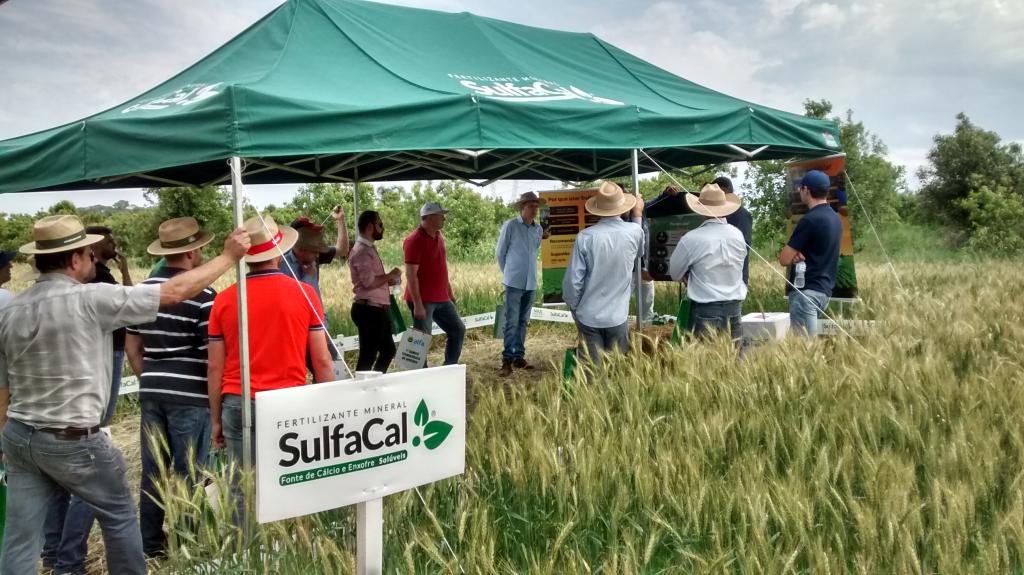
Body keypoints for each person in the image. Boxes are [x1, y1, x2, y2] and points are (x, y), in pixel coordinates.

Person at [0, 214, 249, 575]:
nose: (92, 260)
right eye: (88, 254)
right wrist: (228, 257)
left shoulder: (12, 310)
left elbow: (3, 385)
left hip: (20, 436)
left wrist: (4, 439)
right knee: (118, 515)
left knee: (20, 540)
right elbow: (175, 292)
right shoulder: (90, 299)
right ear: (74, 259)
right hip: (74, 438)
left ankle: (61, 562)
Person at [41, 226, 137, 575]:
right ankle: (67, 559)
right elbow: (133, 306)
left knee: (52, 480)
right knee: (96, 460)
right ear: (82, 253)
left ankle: (54, 554)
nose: (114, 245)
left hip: (39, 429)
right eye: (108, 241)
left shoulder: (98, 278)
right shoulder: (93, 287)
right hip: (99, 363)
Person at [209, 214, 335, 470]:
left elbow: (214, 368)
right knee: (287, 481)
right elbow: (322, 361)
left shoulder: (223, 300)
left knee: (241, 488)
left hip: (238, 400)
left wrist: (215, 420)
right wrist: (330, 409)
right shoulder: (305, 294)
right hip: (288, 400)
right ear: (280, 251)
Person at [125, 217, 218, 559]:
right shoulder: (205, 295)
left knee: (153, 472)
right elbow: (212, 357)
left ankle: (150, 545)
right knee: (189, 471)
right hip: (191, 395)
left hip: (152, 391)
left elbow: (133, 349)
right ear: (194, 252)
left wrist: (151, 378)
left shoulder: (142, 292)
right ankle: (186, 543)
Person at [562, 182, 644, 367]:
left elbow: (572, 282)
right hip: (618, 316)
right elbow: (639, 254)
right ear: (623, 207)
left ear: (597, 209)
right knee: (615, 371)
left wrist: (575, 309)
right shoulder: (634, 232)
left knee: (590, 374)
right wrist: (637, 215)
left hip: (589, 315)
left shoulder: (585, 237)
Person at [668, 183, 747, 343]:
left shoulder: (692, 238)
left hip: (705, 308)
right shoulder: (738, 234)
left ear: (701, 210)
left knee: (705, 363)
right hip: (734, 308)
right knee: (733, 363)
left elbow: (675, 273)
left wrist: (689, 276)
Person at [778, 169, 841, 337]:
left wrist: (793, 253)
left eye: (801, 188)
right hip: (824, 292)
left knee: (803, 350)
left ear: (806, 190)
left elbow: (784, 259)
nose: (799, 191)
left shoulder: (810, 220)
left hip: (806, 293)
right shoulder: (835, 218)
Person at [281, 208, 349, 361]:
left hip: (317, 325)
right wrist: (307, 278)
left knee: (332, 363)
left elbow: (342, 249)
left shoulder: (314, 256)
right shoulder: (281, 263)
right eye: (314, 251)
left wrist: (341, 220)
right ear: (300, 247)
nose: (318, 254)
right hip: (293, 329)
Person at [403, 202, 465, 366]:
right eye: (440, 214)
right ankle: (420, 374)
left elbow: (441, 268)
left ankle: (449, 368)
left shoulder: (439, 236)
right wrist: (417, 304)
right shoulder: (413, 240)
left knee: (458, 329)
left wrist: (449, 292)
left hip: (441, 297)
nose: (444, 217)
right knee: (421, 339)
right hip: (422, 300)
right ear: (429, 217)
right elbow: (410, 274)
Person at [495, 192, 548, 376]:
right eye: (531, 205)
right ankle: (507, 360)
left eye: (536, 206)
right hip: (514, 282)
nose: (535, 209)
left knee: (523, 322)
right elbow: (500, 253)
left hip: (531, 282)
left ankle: (518, 356)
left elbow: (533, 253)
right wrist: (509, 274)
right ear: (522, 207)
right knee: (511, 321)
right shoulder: (510, 225)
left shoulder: (538, 230)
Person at [348, 210, 401, 373]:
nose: (382, 227)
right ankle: (362, 390)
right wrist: (390, 275)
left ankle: (374, 385)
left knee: (388, 350)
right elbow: (369, 282)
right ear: (370, 226)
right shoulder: (362, 251)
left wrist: (389, 280)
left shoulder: (368, 248)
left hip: (376, 309)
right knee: (368, 356)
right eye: (380, 224)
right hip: (369, 310)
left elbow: (373, 279)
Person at [712, 176, 754, 285]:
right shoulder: (713, 214)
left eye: (718, 193)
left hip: (734, 279)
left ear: (726, 192)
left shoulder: (741, 214)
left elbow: (743, 247)